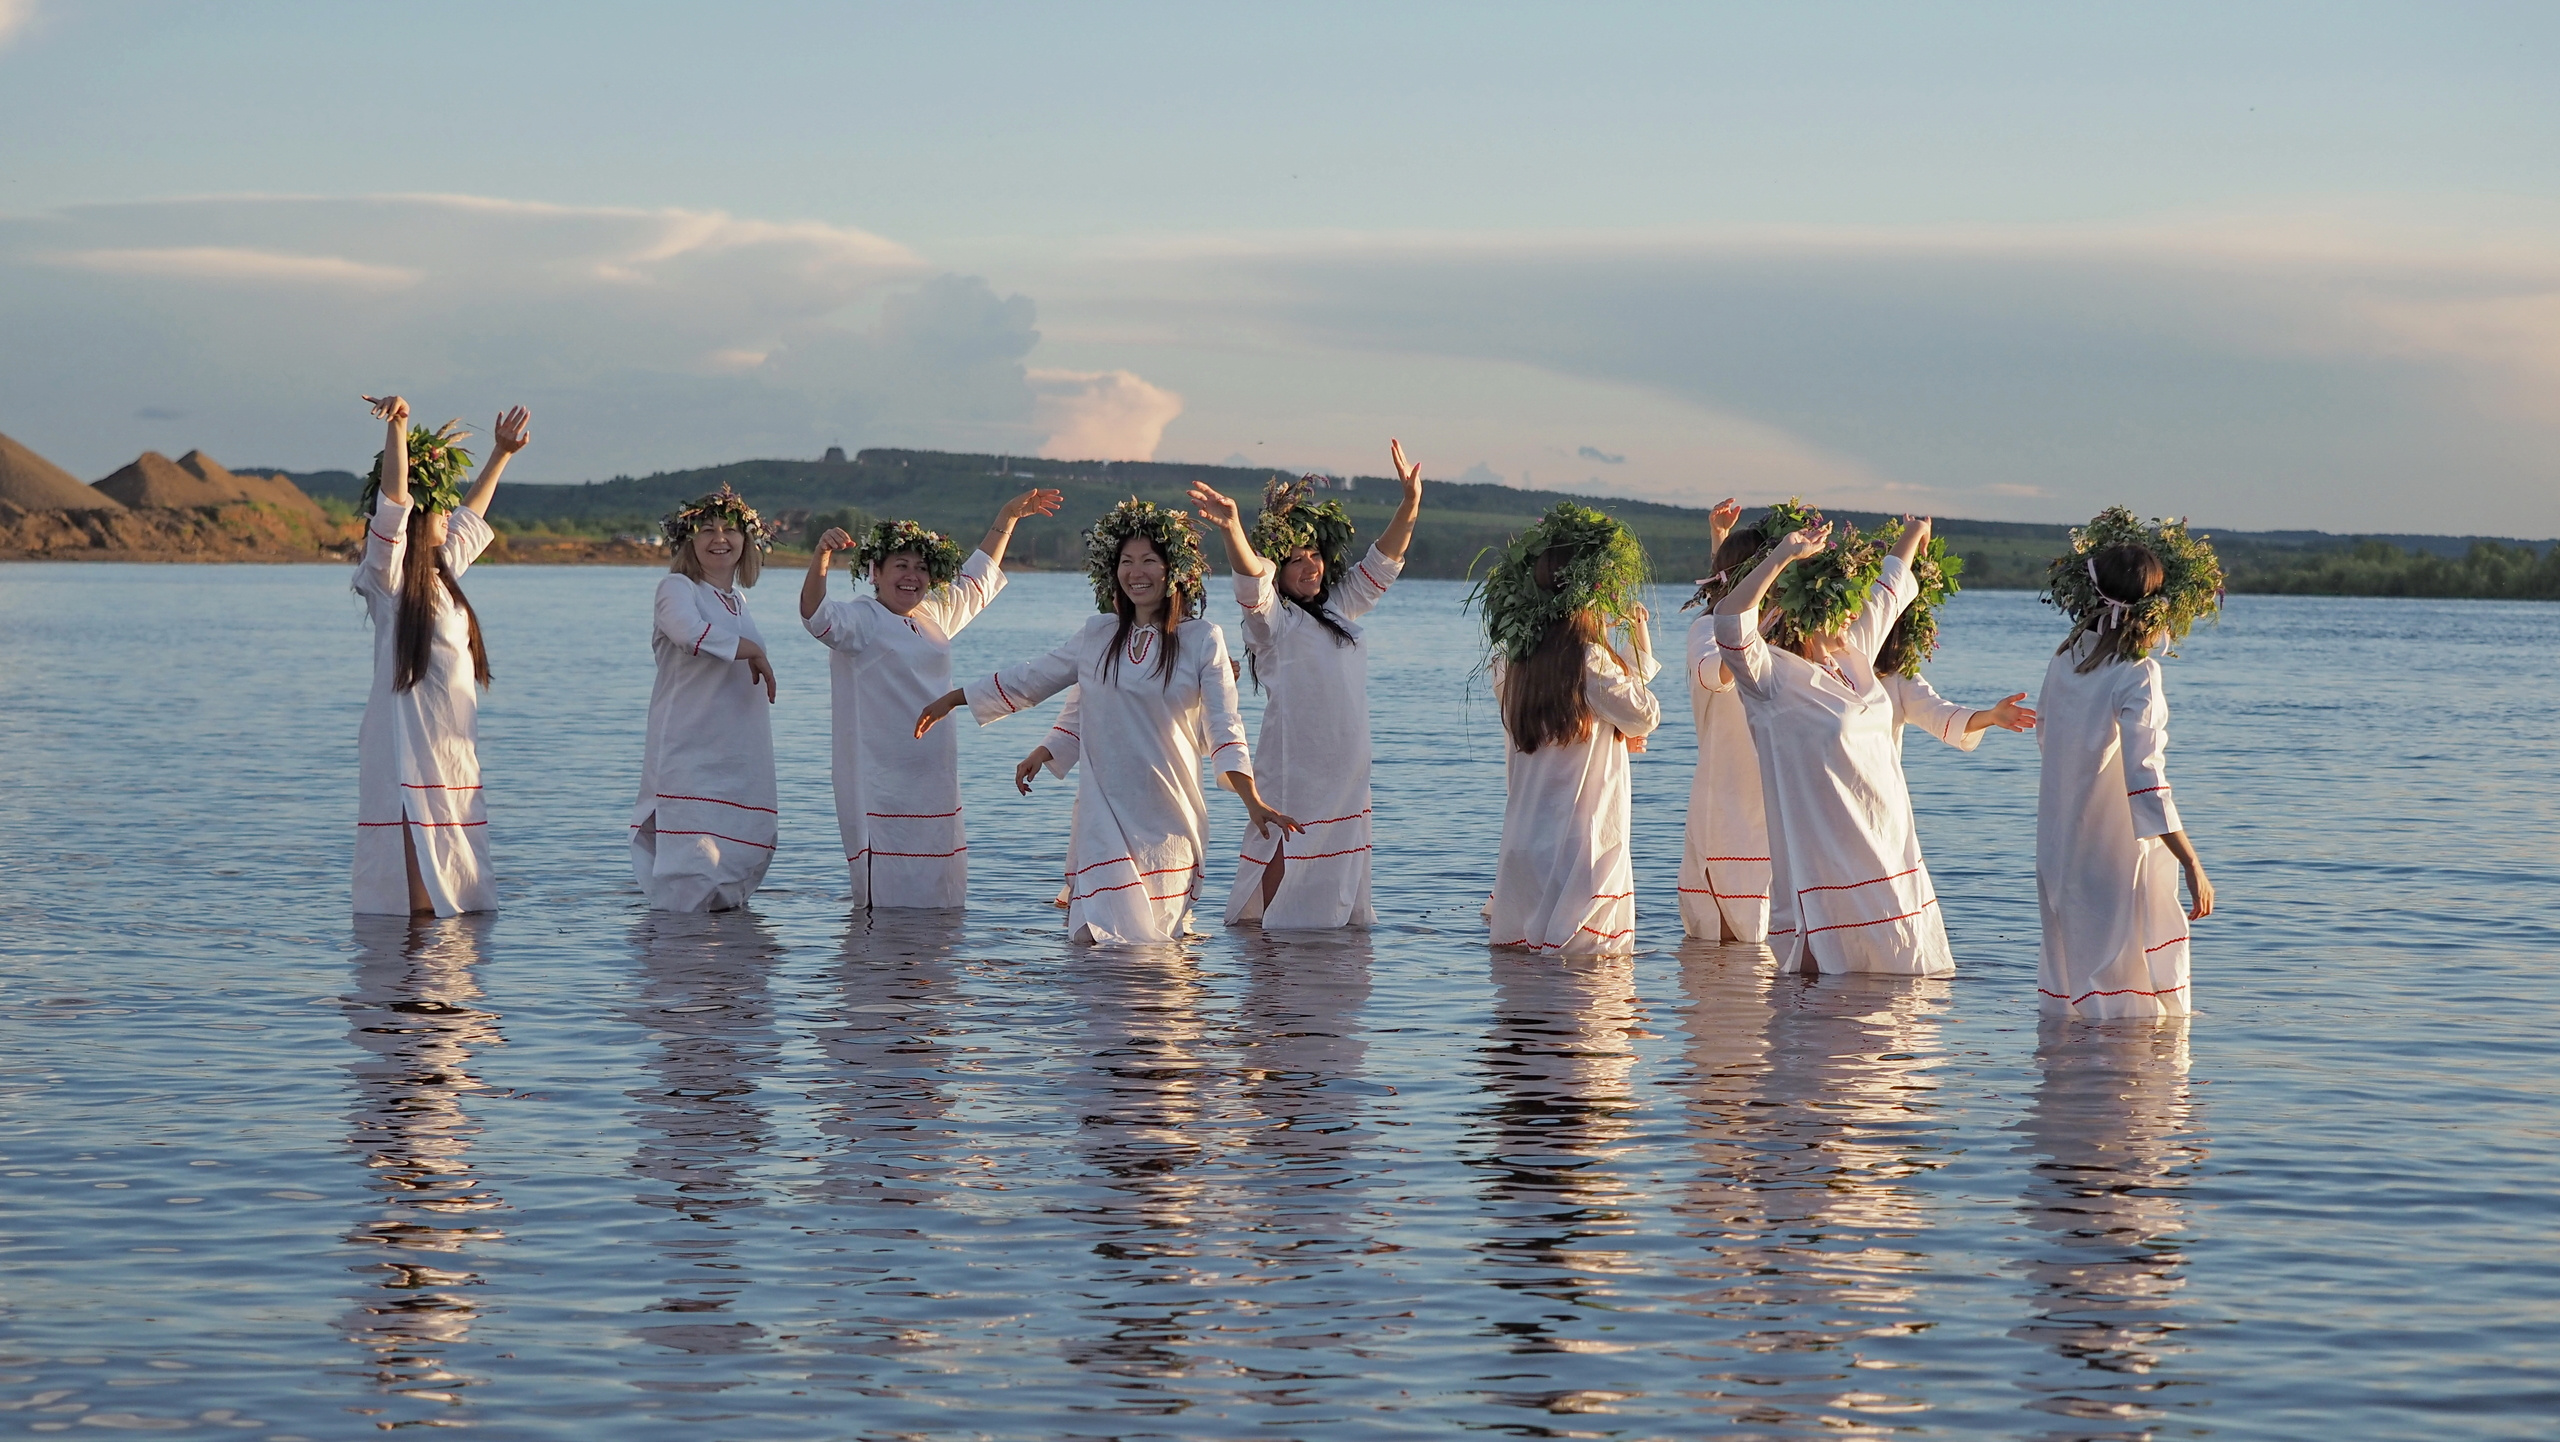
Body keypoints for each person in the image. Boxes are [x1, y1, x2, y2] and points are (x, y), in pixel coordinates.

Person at [916, 499, 1300, 944]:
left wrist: (1252, 799)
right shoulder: (1098, 634)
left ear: (1172, 571)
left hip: (1168, 816)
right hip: (1104, 814)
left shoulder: (1201, 639)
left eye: (1149, 561)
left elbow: (1224, 725)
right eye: (1126, 561)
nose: (1136, 572)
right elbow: (1036, 677)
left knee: (1155, 958)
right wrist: (956, 698)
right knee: (1090, 943)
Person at [1185, 439, 1425, 928]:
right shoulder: (1273, 623)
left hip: (1346, 775)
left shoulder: (1340, 604)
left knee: (1334, 894)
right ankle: (1268, 961)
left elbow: (1385, 557)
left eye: (1314, 554)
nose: (1310, 565)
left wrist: (1410, 503)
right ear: (1279, 569)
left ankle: (1317, 959)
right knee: (1283, 855)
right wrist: (1233, 529)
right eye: (1295, 559)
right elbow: (1252, 583)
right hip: (1294, 767)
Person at [1712, 513, 1954, 975]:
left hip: (1889, 852)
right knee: (1831, 992)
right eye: (1844, 603)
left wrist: (1914, 532)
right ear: (1809, 613)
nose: (1854, 611)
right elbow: (1730, 624)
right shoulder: (1771, 679)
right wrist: (1783, 556)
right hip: (1828, 861)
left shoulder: (1853, 653)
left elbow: (1890, 588)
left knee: (1904, 992)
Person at [799, 489, 1062, 907]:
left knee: (940, 902)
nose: (912, 576)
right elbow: (816, 616)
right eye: (901, 566)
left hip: (934, 781)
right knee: (886, 905)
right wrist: (822, 557)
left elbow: (977, 579)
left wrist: (1008, 517)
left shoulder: (931, 615)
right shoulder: (862, 618)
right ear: (875, 572)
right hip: (881, 788)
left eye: (921, 568)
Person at [2036, 512, 2222, 1018]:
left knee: (2070, 992)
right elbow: (2145, 778)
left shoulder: (2065, 658)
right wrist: (2191, 861)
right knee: (2119, 1001)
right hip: (2109, 851)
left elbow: (2046, 736)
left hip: (2057, 843)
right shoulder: (2136, 673)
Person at [351, 394, 530, 916]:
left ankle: (439, 959)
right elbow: (393, 503)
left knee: (458, 881)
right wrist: (399, 429)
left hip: (452, 744)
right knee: (421, 894)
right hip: (410, 743)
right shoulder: (389, 581)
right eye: (439, 505)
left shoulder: (443, 572)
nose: (450, 512)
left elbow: (472, 515)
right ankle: (414, 960)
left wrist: (501, 454)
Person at [1479, 502, 1661, 957]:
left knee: (1524, 982)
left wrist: (1611, 735)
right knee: (1589, 984)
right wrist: (1637, 645)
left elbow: (1565, 727)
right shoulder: (1590, 660)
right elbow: (1645, 714)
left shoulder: (1511, 661)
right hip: (1579, 844)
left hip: (1524, 842)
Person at [632, 487, 780, 912]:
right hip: (691, 748)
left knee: (738, 855)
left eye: (730, 530)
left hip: (738, 752)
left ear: (746, 541)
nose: (720, 538)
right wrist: (752, 650)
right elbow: (687, 632)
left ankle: (726, 952)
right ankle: (679, 950)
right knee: (692, 866)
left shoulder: (737, 601)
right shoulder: (677, 588)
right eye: (707, 530)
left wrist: (752, 648)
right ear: (688, 541)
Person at [1678, 497, 1772, 944]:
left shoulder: (1782, 633)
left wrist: (1720, 540)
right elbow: (1715, 671)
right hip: (1726, 796)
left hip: (1772, 795)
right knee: (1724, 939)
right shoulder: (1705, 629)